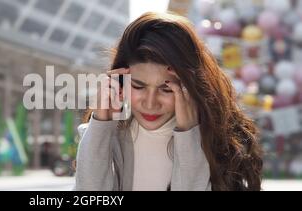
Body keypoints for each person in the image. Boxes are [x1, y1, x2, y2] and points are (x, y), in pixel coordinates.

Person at [74, 12, 263, 191]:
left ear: (188, 86)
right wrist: (100, 125)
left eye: (166, 89)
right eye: (139, 86)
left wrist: (189, 133)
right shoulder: (106, 136)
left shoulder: (217, 140)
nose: (150, 103)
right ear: (121, 81)